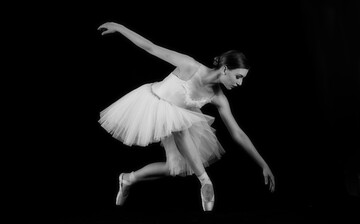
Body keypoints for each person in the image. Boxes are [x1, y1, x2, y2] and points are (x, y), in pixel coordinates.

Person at [98, 22, 275, 211]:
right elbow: (150, 47)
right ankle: (205, 181)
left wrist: (263, 164)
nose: (240, 83)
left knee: (173, 168)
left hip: (177, 118)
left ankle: (127, 179)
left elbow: (237, 133)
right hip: (153, 103)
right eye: (238, 76)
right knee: (180, 127)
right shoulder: (189, 65)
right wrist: (119, 27)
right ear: (225, 69)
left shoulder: (218, 97)